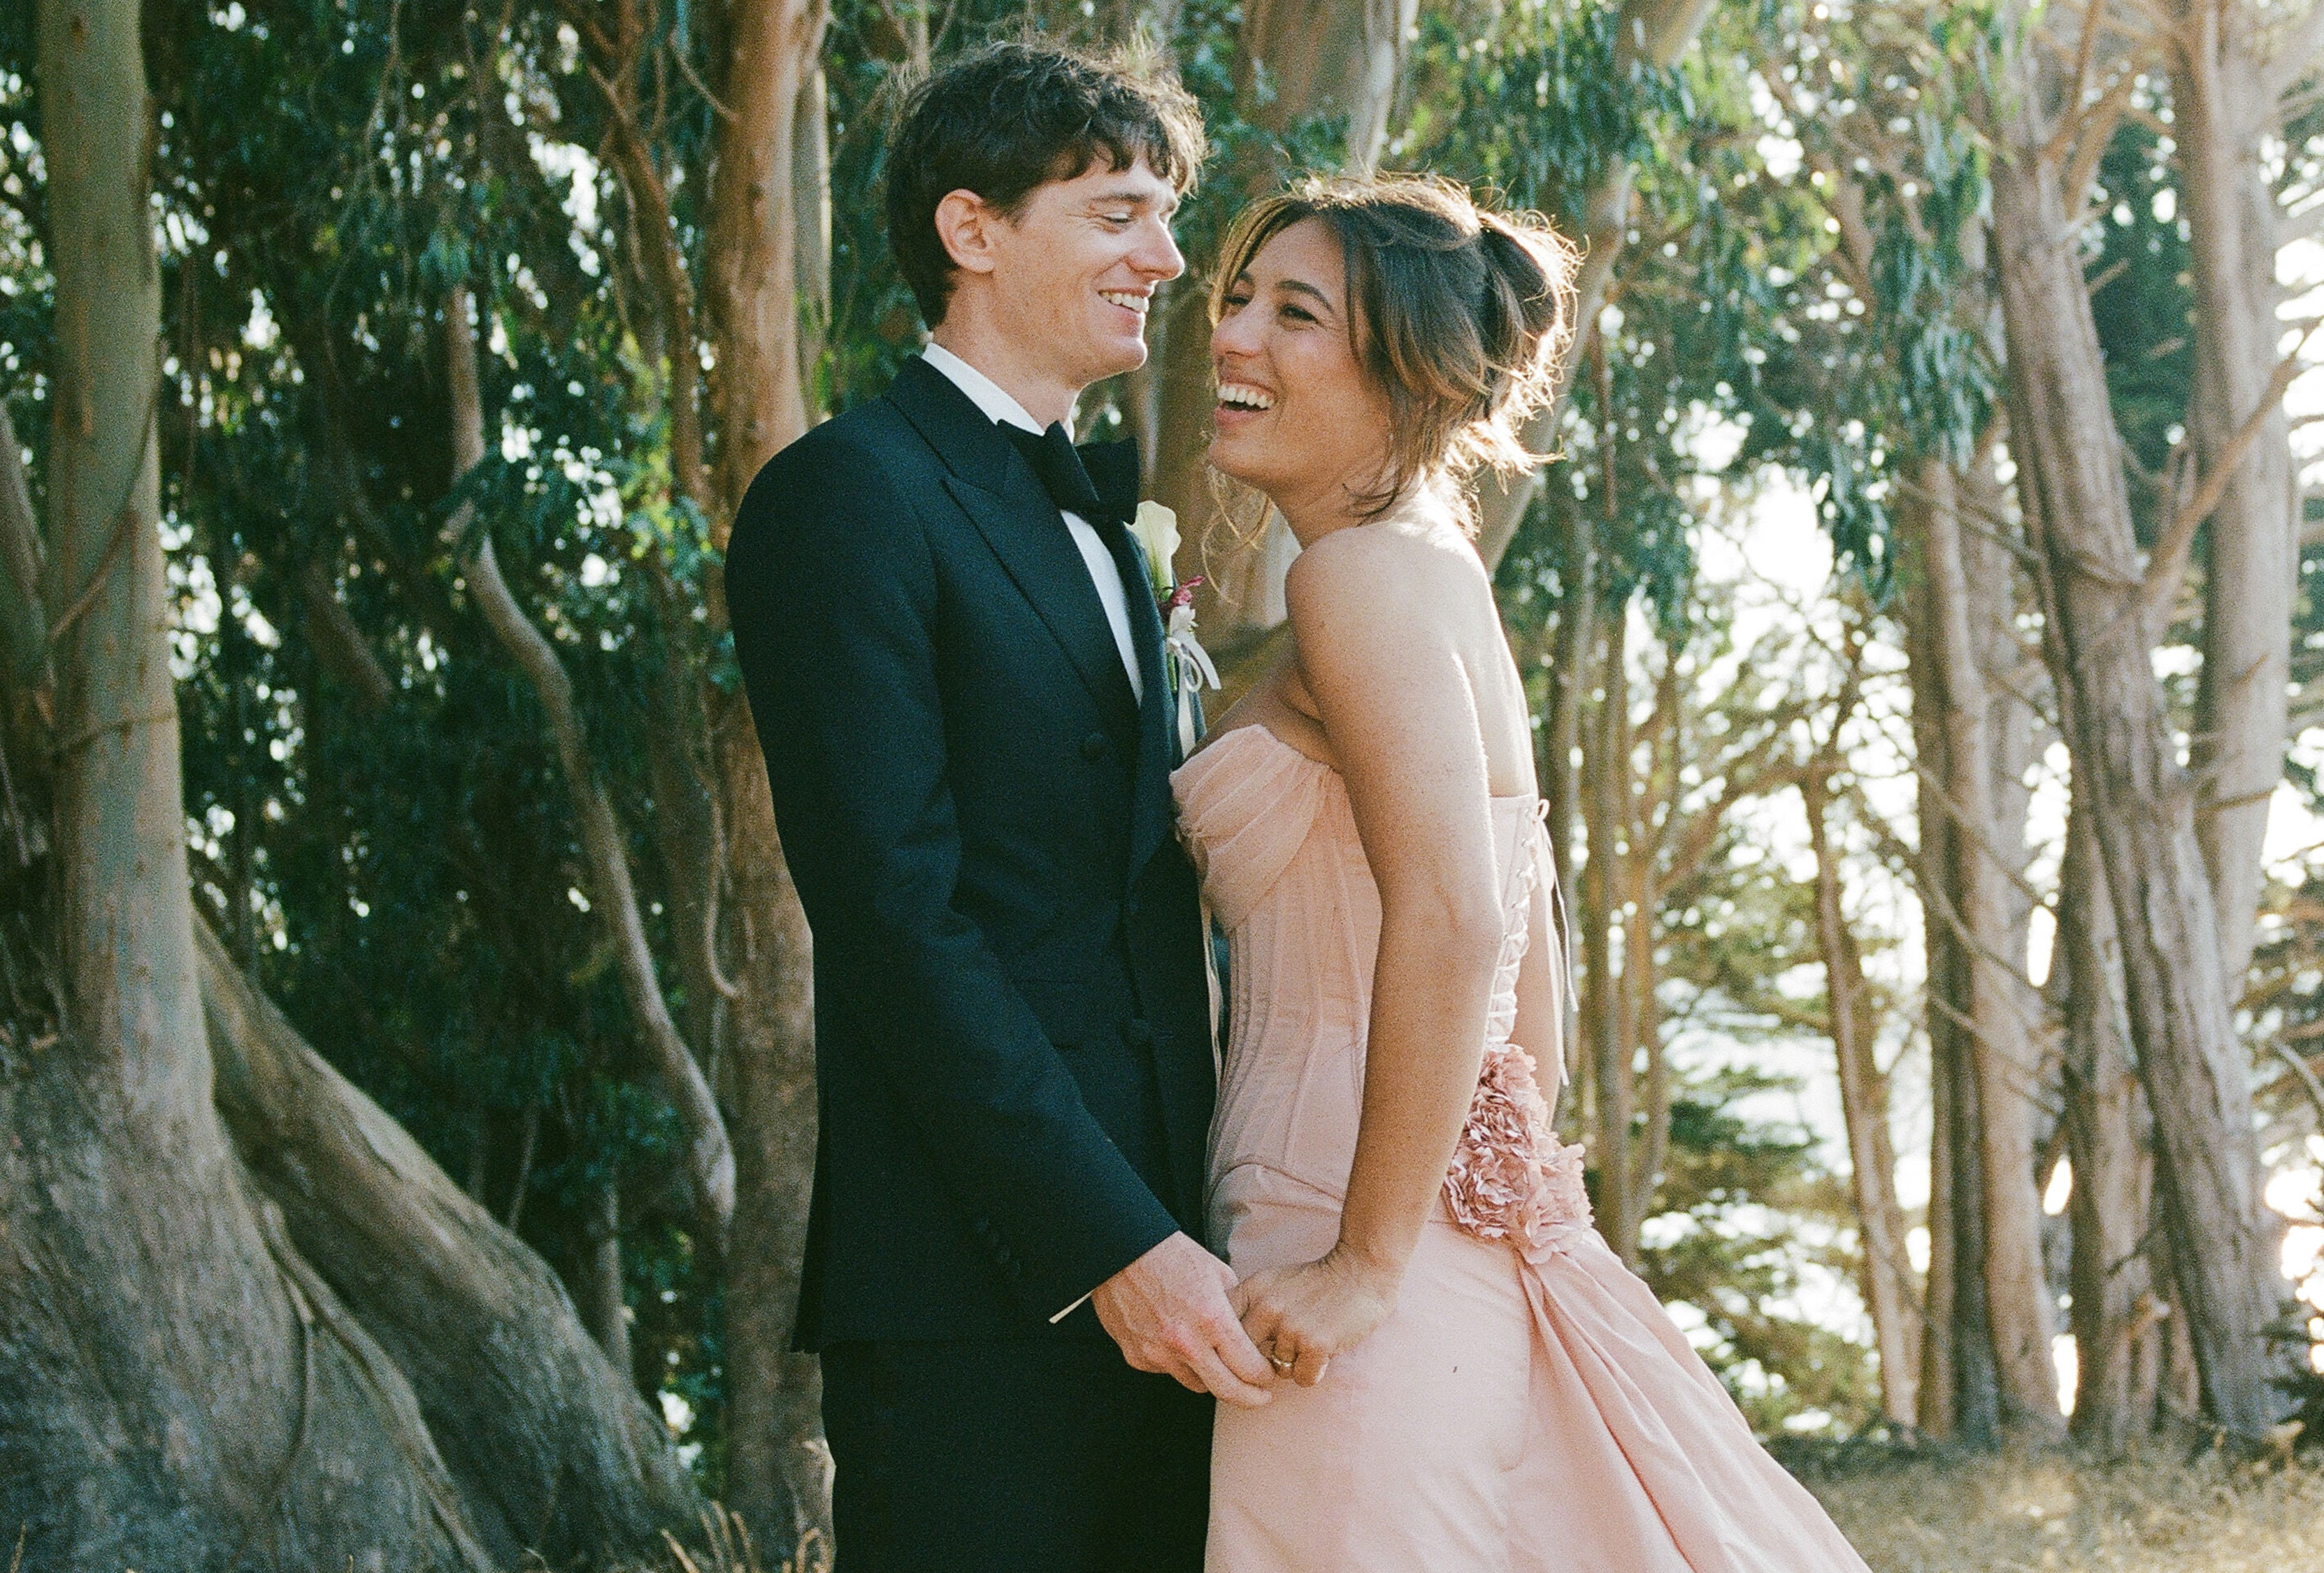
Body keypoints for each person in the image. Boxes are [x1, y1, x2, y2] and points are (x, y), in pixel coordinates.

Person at [1174, 174, 1875, 1572]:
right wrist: (1496, 1197)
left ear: (1409, 370)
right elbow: (1529, 955)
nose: (1233, 339)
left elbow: (1457, 907)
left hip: (1342, 1212)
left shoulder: (1354, 579)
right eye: (1236, 302)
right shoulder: (1434, 573)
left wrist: (1367, 1264)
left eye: (1293, 314)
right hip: (1432, 1208)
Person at [725, 41, 1274, 1573]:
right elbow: (898, 924)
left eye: (1164, 215)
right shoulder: (850, 497)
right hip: (979, 1295)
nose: (1165, 259)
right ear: (973, 232)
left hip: (1187, 1264)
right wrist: (1108, 1242)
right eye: (1115, 215)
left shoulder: (1107, 513)